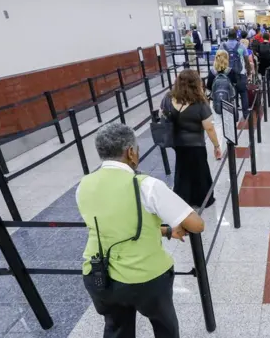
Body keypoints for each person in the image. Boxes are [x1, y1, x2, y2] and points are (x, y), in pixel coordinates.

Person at [79, 122, 205, 338]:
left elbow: (116, 226)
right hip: (145, 279)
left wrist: (164, 231)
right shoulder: (147, 185)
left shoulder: (84, 185)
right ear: (130, 152)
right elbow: (196, 224)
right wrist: (174, 225)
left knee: (117, 328)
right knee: (164, 325)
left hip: (99, 276)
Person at [163, 69, 222, 207]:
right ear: (196, 83)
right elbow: (209, 127)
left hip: (177, 143)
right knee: (200, 171)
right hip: (196, 145)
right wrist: (216, 145)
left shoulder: (168, 98)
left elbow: (164, 115)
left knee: (182, 170)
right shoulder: (200, 102)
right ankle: (202, 199)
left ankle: (183, 197)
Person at [220, 29, 251, 118]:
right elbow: (246, 61)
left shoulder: (222, 46)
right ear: (236, 37)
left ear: (228, 36)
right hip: (240, 74)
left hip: (227, 75)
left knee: (232, 95)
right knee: (243, 93)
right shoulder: (241, 46)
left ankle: (234, 115)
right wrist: (248, 72)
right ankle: (246, 114)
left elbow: (218, 60)